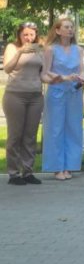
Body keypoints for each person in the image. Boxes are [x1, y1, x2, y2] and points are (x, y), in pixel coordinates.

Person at [42, 17, 84, 181]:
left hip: (74, 92)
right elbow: (45, 72)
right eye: (66, 27)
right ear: (58, 30)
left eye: (71, 27)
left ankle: (70, 166)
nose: (70, 29)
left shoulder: (79, 49)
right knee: (55, 129)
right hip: (56, 92)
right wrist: (63, 77)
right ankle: (57, 168)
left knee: (74, 128)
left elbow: (81, 70)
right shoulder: (50, 49)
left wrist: (83, 78)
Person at [3, 21, 45, 185]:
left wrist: (60, 78)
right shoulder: (12, 48)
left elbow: (43, 73)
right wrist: (20, 52)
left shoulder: (39, 49)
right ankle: (13, 174)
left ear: (36, 35)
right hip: (15, 95)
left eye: (31, 34)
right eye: (25, 34)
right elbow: (7, 68)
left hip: (35, 96)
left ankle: (27, 171)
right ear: (19, 35)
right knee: (15, 135)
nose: (28, 38)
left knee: (30, 135)